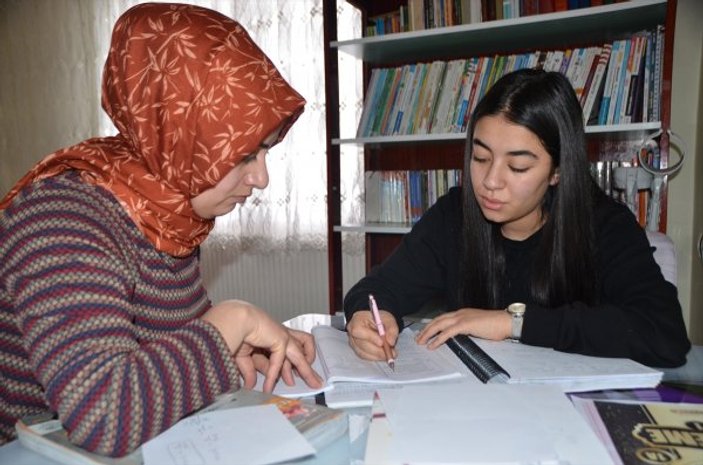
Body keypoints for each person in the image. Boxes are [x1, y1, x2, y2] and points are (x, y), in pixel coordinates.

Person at [0, 3, 323, 456]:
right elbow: (103, 415)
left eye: (264, 152)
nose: (261, 178)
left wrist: (235, 356)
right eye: (245, 154)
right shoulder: (60, 215)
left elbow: (165, 359)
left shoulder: (170, 213)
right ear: (180, 131)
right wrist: (235, 320)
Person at [344, 68, 690, 370]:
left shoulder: (604, 225)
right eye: (480, 158)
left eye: (518, 166)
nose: (491, 182)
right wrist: (368, 317)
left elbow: (664, 333)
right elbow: (376, 291)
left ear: (557, 171)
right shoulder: (454, 216)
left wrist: (515, 323)